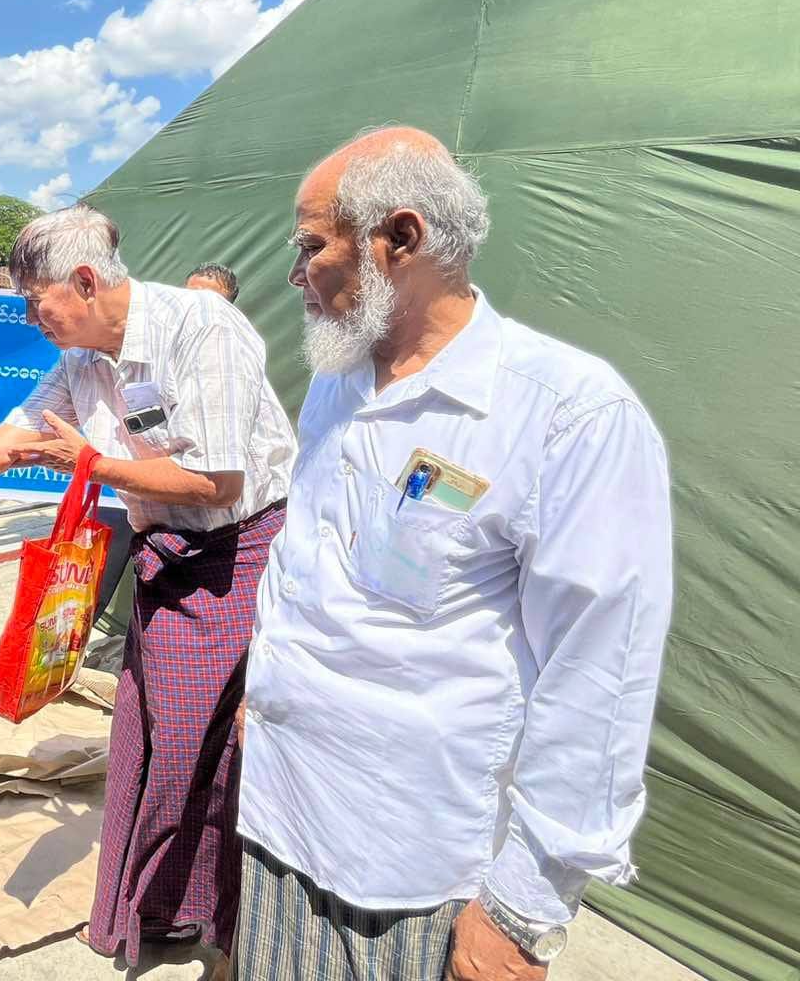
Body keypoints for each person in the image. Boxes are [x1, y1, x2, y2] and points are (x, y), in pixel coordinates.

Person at [234, 128, 673, 981]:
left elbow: (600, 676)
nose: (296, 275)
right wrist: (266, 686)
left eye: (311, 246)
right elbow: (304, 555)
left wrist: (524, 909)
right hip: (280, 810)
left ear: (401, 238)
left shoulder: (569, 415)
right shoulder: (337, 378)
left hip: (417, 865)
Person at [0, 205, 297, 974]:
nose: (30, 318)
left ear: (84, 281)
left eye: (34, 300)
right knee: (149, 738)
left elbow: (217, 482)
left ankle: (219, 919)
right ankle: (154, 908)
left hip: (237, 558)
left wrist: (94, 464)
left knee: (203, 749)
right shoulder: (84, 358)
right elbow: (7, 441)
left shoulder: (203, 329)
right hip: (168, 556)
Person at [97, 261, 240, 629]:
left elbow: (214, 480)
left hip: (183, 519)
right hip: (127, 495)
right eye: (189, 296)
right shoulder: (152, 346)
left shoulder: (228, 362)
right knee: (93, 586)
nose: (195, 307)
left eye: (209, 301)